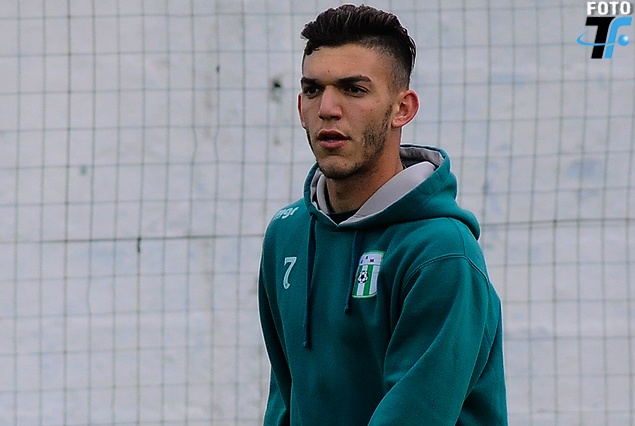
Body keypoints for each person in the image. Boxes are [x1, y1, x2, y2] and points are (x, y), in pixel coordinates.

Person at [258, 4, 508, 425]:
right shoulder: (287, 234)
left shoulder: (442, 253)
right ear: (300, 106)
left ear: (402, 109)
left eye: (354, 89)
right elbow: (286, 400)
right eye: (314, 90)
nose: (328, 108)